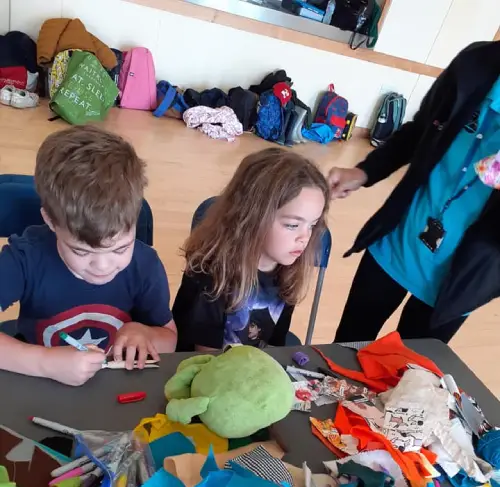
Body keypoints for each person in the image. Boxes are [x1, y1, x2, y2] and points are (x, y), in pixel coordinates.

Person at [329, 40, 500, 344]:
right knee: (346, 348)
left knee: (407, 380)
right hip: (398, 241)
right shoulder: (476, 62)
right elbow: (421, 129)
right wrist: (364, 171)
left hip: (457, 280)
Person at [0, 126, 177, 386]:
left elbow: (170, 339)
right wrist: (45, 362)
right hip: (38, 384)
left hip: (113, 392)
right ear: (50, 220)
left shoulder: (145, 266)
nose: (102, 266)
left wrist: (144, 333)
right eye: (81, 251)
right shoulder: (25, 257)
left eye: (120, 248)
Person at [173, 148, 329, 351]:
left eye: (312, 225)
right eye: (292, 225)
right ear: (252, 217)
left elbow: (275, 347)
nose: (305, 237)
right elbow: (204, 359)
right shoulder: (212, 272)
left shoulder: (288, 269)